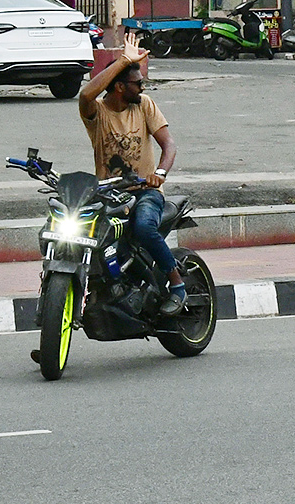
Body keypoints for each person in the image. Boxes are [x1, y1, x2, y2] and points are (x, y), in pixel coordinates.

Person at [79, 32, 185, 317]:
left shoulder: (145, 105)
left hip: (146, 192)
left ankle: (177, 284)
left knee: (143, 228)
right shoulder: (97, 113)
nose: (142, 86)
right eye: (137, 83)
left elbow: (169, 144)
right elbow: (86, 94)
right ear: (118, 87)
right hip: (108, 195)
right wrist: (123, 59)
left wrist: (159, 173)